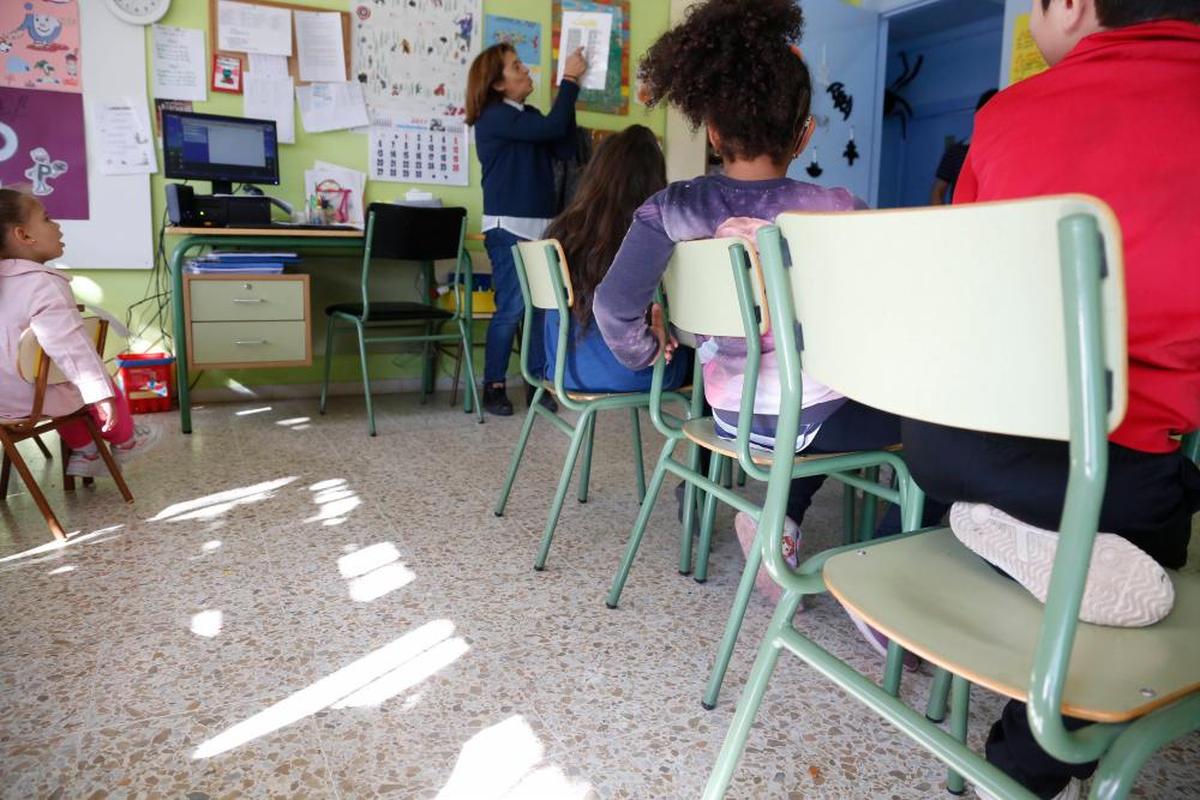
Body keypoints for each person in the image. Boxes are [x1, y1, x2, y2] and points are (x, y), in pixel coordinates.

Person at [902, 2, 1200, 798]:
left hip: (946, 451)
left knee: (1086, 513)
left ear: (1072, 4)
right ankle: (1020, 766)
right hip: (1113, 475)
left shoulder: (1005, 115)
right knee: (1153, 568)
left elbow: (959, 298)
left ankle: (1011, 536)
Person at [592, 0, 917, 596]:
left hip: (728, 417)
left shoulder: (670, 209)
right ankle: (886, 579)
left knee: (808, 395)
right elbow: (883, 313)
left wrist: (647, 350)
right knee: (936, 424)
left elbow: (613, 307)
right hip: (820, 419)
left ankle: (781, 526)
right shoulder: (840, 209)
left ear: (712, 130)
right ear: (805, 134)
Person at [466, 41, 588, 417]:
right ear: (498, 84)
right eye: (516, 67)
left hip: (540, 229)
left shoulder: (526, 115)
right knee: (513, 309)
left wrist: (571, 96)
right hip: (509, 229)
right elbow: (553, 127)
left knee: (542, 309)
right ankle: (494, 386)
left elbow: (566, 146)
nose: (525, 70)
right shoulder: (495, 116)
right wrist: (568, 79)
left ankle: (538, 382)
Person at [0, 189, 147, 477]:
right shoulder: (44, 284)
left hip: (3, 402)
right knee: (87, 380)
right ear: (24, 236)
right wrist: (100, 394)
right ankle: (127, 441)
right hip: (34, 400)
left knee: (55, 380)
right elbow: (71, 348)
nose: (57, 225)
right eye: (47, 218)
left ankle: (86, 450)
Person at [541, 125, 687, 394]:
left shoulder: (563, 231)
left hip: (563, 368)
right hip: (632, 372)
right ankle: (714, 433)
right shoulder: (651, 236)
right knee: (704, 359)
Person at [929, 88, 997, 205]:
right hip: (961, 217)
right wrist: (945, 221)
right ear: (978, 115)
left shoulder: (1002, 151)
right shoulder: (955, 152)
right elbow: (938, 192)